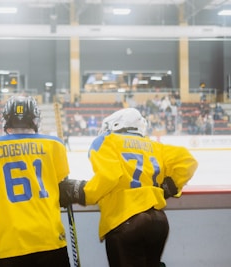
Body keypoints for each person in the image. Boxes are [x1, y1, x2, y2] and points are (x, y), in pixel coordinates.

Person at [59, 108, 198, 267]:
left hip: (126, 221)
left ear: (115, 125)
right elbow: (188, 161)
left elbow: (110, 176)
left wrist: (81, 192)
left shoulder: (106, 140)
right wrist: (168, 188)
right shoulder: (155, 146)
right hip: (158, 220)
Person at [0, 95, 71, 267]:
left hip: (10, 240)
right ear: (35, 120)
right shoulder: (55, 145)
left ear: (6, 120)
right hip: (49, 234)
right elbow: (59, 181)